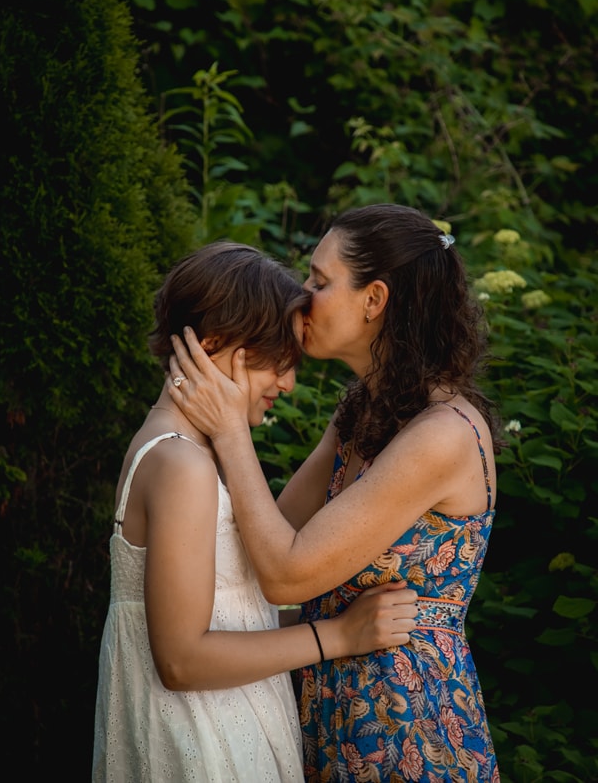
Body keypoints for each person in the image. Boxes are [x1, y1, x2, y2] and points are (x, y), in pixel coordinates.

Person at [167, 204, 502, 783]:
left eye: (321, 281)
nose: (303, 294)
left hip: (409, 732)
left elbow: (286, 574)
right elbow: (263, 543)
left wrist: (229, 431)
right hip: (330, 717)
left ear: (374, 300)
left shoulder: (442, 435)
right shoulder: (362, 413)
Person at [92, 240, 418, 783]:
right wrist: (338, 637)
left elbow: (235, 606)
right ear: (215, 344)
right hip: (202, 739)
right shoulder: (181, 465)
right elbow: (181, 661)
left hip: (221, 720)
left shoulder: (187, 454)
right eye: (277, 363)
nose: (288, 384)